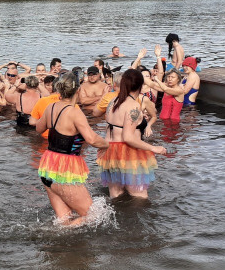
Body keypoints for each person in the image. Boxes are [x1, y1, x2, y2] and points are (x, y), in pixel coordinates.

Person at [34, 73, 109, 226]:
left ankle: (57, 244)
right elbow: (92, 139)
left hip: (48, 166)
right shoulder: (75, 112)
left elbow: (38, 128)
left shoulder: (51, 107)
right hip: (65, 170)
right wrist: (107, 145)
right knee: (95, 215)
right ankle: (53, 236)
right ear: (78, 90)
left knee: (64, 219)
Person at [98, 69, 165, 199]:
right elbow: (128, 137)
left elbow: (109, 126)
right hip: (128, 153)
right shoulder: (133, 106)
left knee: (116, 195)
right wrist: (153, 148)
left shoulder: (113, 102)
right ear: (140, 85)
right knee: (140, 196)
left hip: (110, 152)